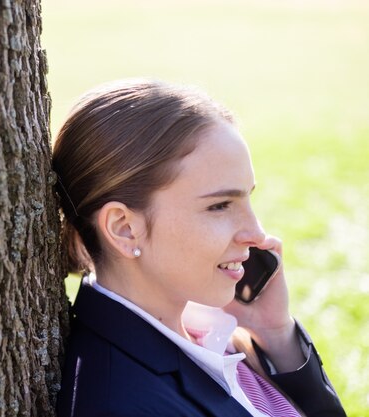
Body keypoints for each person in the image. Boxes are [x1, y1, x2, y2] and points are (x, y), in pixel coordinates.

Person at [52, 79, 346, 417]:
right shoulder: (122, 403)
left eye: (248, 198)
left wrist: (275, 336)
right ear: (124, 228)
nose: (256, 233)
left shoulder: (210, 333)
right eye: (220, 206)